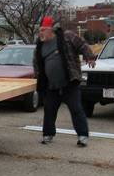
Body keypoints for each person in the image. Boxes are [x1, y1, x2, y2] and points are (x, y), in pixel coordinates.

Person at [34, 16, 96, 147]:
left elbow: (82, 44)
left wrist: (89, 57)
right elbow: (36, 62)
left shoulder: (66, 37)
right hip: (51, 86)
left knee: (76, 109)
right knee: (49, 110)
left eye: (43, 30)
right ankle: (48, 134)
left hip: (70, 82)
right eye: (39, 30)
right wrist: (38, 76)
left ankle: (83, 136)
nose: (40, 33)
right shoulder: (40, 44)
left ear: (51, 29)